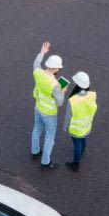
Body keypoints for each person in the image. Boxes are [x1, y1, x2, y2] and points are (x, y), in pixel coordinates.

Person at [31, 41, 66, 170]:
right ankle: (45, 162)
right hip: (49, 114)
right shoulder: (56, 85)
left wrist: (42, 52)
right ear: (57, 69)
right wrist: (62, 91)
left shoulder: (38, 73)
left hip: (38, 108)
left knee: (36, 129)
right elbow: (60, 103)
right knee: (49, 137)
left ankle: (35, 151)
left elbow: (35, 64)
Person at [63, 71, 97, 171]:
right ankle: (82, 152)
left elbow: (68, 116)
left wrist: (65, 127)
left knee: (77, 144)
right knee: (83, 139)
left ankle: (75, 164)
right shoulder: (92, 95)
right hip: (86, 125)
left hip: (76, 129)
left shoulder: (73, 100)